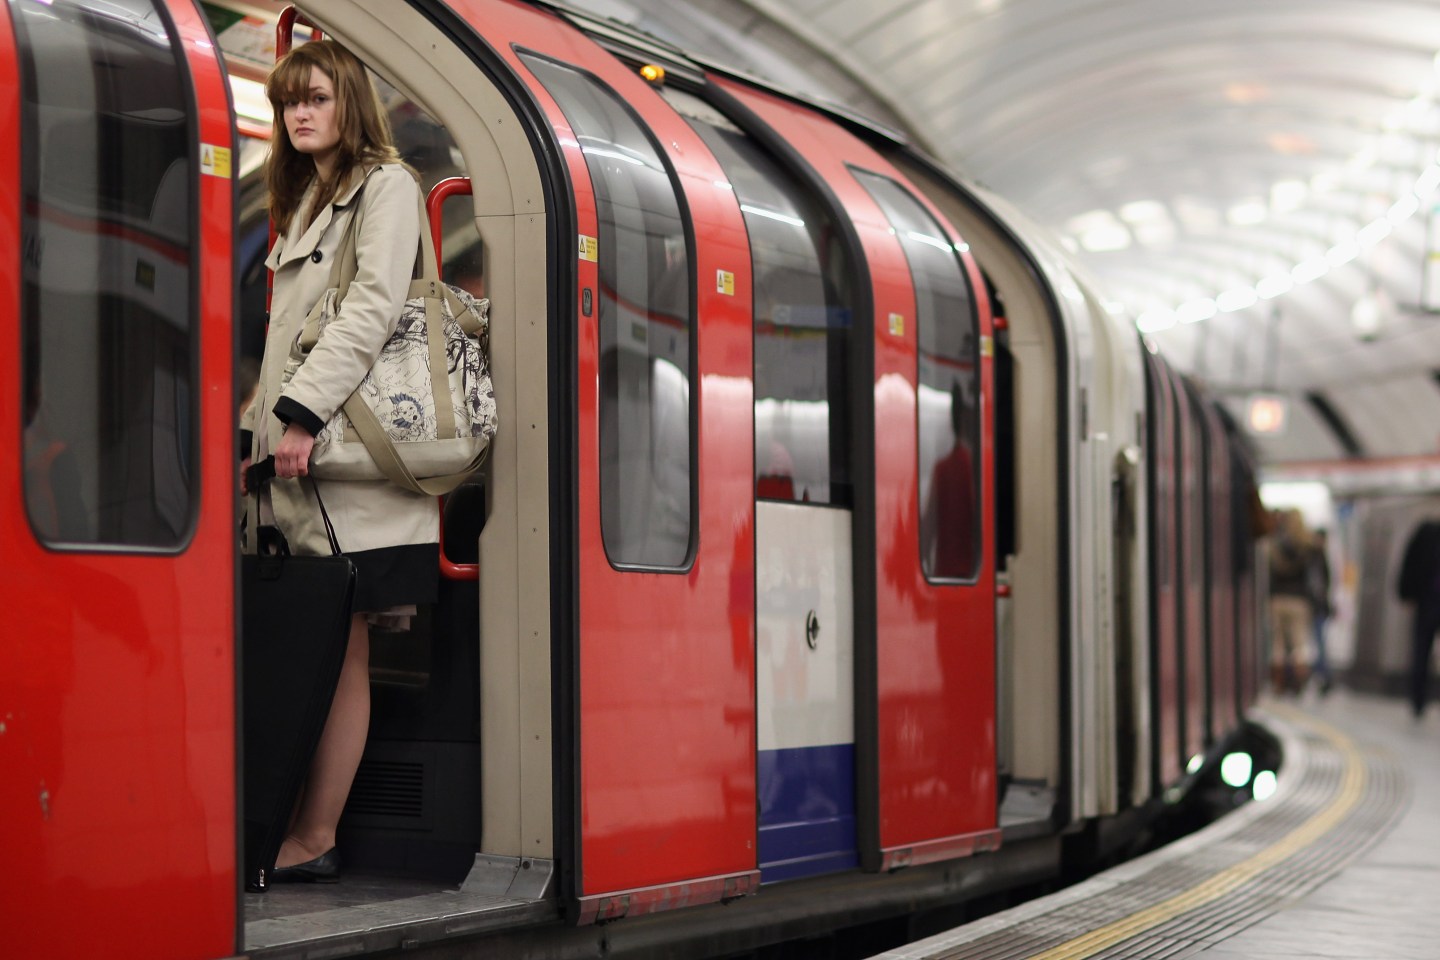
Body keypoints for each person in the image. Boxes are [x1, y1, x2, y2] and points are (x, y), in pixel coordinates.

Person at [239, 39, 438, 882]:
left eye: (314, 97)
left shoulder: (385, 187)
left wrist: (295, 415)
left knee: (343, 645)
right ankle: (286, 823)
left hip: (345, 462)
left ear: (349, 101)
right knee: (315, 646)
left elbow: (371, 311)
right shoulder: (314, 197)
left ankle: (315, 835)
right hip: (303, 464)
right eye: (288, 102)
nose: (299, 114)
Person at [1397, 518, 1440, 718]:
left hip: (1429, 600)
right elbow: (1411, 561)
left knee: (1422, 649)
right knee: (1421, 651)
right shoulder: (1427, 531)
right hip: (1428, 601)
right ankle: (1418, 699)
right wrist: (1406, 593)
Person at [1266, 509, 1313, 695]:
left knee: (1277, 644)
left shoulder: (1275, 545)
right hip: (1299, 600)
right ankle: (1299, 683)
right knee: (1299, 645)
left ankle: (1279, 683)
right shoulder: (1308, 545)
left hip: (1277, 599)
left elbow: (1270, 571)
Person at [1308, 528, 1334, 695]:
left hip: (1317, 607)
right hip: (1317, 606)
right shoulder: (1318, 557)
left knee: (1319, 643)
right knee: (1319, 643)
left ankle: (1322, 676)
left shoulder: (1318, 557)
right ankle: (1322, 676)